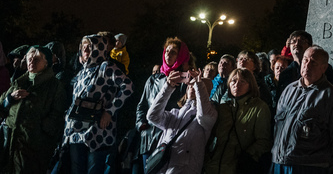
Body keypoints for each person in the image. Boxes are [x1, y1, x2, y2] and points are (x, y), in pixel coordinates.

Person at [62, 34, 134, 174]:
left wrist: (109, 111)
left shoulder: (106, 67)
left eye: (90, 47)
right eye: (84, 48)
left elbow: (128, 86)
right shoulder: (81, 73)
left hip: (97, 132)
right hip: (75, 133)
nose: (86, 51)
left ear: (99, 49)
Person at [271, 45, 333, 174]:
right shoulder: (289, 90)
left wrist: (325, 164)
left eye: (313, 62)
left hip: (309, 166)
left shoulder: (331, 96)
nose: (307, 64)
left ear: (323, 68)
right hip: (280, 163)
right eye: (305, 60)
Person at [0, 46, 70, 174]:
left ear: (46, 63)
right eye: (29, 58)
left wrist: (39, 131)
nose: (32, 61)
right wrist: (9, 99)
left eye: (37, 58)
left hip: (34, 148)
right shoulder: (19, 82)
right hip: (10, 144)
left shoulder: (54, 86)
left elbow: (57, 116)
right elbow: (1, 105)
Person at [145, 68, 217, 174]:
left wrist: (199, 83)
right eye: (190, 85)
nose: (193, 87)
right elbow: (152, 116)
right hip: (161, 168)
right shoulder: (175, 113)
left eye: (198, 85)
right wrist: (168, 87)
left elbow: (203, 116)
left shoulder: (211, 114)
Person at [135, 38, 190, 171]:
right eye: (167, 51)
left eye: (174, 52)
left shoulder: (185, 80)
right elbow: (142, 105)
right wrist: (141, 124)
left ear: (181, 56)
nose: (168, 55)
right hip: (148, 136)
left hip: (168, 136)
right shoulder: (153, 79)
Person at [205, 68, 272, 174]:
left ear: (250, 85)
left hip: (238, 167)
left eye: (242, 81)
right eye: (233, 81)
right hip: (213, 166)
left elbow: (263, 140)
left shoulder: (259, 107)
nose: (237, 85)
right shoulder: (222, 107)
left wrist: (247, 156)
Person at [278, 31, 333, 98]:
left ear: (309, 46)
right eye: (293, 41)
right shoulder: (285, 73)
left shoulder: (324, 69)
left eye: (301, 41)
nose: (296, 44)